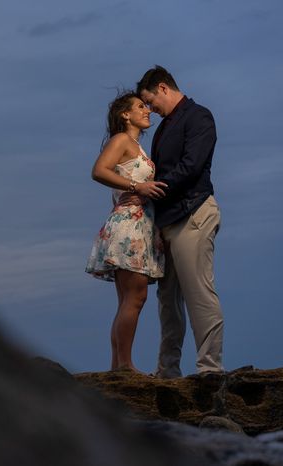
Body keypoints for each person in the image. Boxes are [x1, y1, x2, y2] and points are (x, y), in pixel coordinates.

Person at [136, 65, 224, 378]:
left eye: (150, 101)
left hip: (195, 214)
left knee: (198, 292)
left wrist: (153, 192)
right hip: (167, 221)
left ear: (163, 87)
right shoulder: (162, 129)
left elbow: (191, 166)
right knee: (166, 300)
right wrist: (157, 224)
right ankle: (167, 370)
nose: (150, 109)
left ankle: (210, 368)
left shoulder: (199, 116)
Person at [85, 91, 167, 374]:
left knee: (128, 301)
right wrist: (137, 187)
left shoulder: (136, 146)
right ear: (125, 115)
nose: (148, 111)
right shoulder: (121, 140)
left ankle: (118, 365)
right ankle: (124, 364)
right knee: (135, 297)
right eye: (140, 107)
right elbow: (98, 170)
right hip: (129, 224)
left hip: (139, 223)